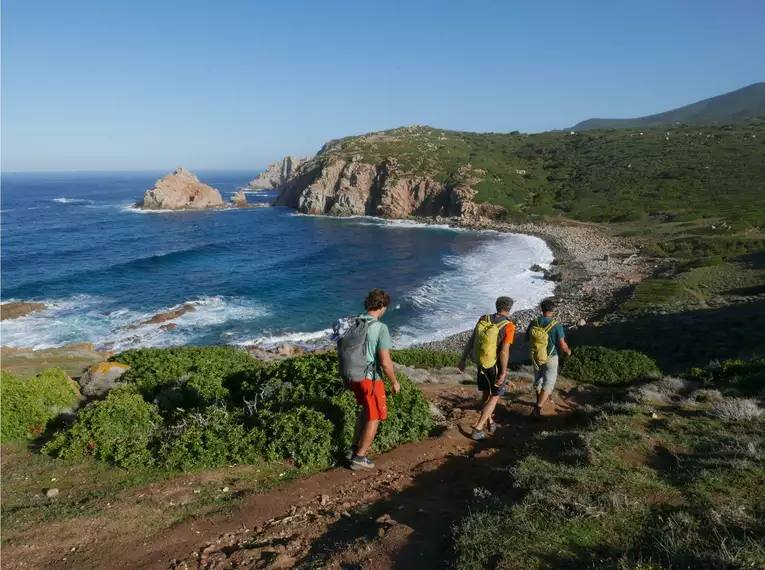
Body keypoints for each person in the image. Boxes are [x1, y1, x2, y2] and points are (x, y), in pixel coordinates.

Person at [347, 289, 401, 471]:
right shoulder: (380, 327)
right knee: (375, 416)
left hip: (353, 376)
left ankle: (353, 448)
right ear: (381, 306)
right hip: (370, 378)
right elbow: (385, 362)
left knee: (365, 411)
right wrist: (394, 382)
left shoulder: (355, 322)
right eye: (385, 307)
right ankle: (359, 458)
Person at [458, 296, 516, 441]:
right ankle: (478, 429)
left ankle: (490, 422)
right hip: (494, 365)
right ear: (509, 309)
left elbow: (472, 339)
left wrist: (463, 359)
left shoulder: (484, 318)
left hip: (481, 362)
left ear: (496, 306)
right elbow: (504, 351)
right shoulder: (509, 326)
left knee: (485, 394)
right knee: (495, 396)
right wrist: (503, 372)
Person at [526, 298, 571, 418]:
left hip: (536, 356)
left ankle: (538, 400)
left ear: (542, 309)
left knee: (538, 379)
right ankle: (538, 408)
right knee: (549, 382)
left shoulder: (534, 321)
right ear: (552, 310)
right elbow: (562, 344)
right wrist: (568, 351)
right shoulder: (556, 325)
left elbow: (527, 338)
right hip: (551, 356)